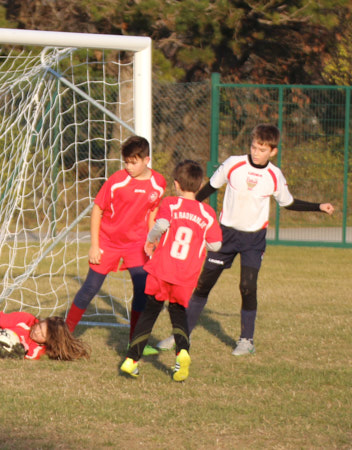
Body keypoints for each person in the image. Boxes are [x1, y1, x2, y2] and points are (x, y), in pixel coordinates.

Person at [157, 124, 335, 356]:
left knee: (247, 287)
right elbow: (208, 188)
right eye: (254, 147)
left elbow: (288, 203)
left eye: (262, 149)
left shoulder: (274, 175)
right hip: (225, 235)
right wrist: (185, 209)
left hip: (253, 239)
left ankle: (246, 340)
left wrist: (318, 207)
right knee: (203, 285)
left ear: (273, 151)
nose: (256, 152)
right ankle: (181, 334)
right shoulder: (233, 164)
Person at [120, 160, 222, 381]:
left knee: (149, 313)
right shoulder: (207, 212)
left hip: (162, 269)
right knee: (178, 314)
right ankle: (182, 352)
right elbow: (216, 245)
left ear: (176, 184)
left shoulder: (171, 203)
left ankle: (131, 360)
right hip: (186, 275)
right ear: (200, 185)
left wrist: (150, 240)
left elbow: (161, 225)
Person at [64, 136, 166, 355]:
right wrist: (95, 245)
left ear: (146, 160)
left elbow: (153, 211)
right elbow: (97, 210)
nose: (128, 167)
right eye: (126, 162)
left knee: (142, 290)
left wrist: (152, 239)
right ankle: (63, 336)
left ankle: (135, 343)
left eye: (133, 163)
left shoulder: (159, 183)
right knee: (90, 288)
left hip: (137, 244)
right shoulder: (117, 180)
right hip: (108, 242)